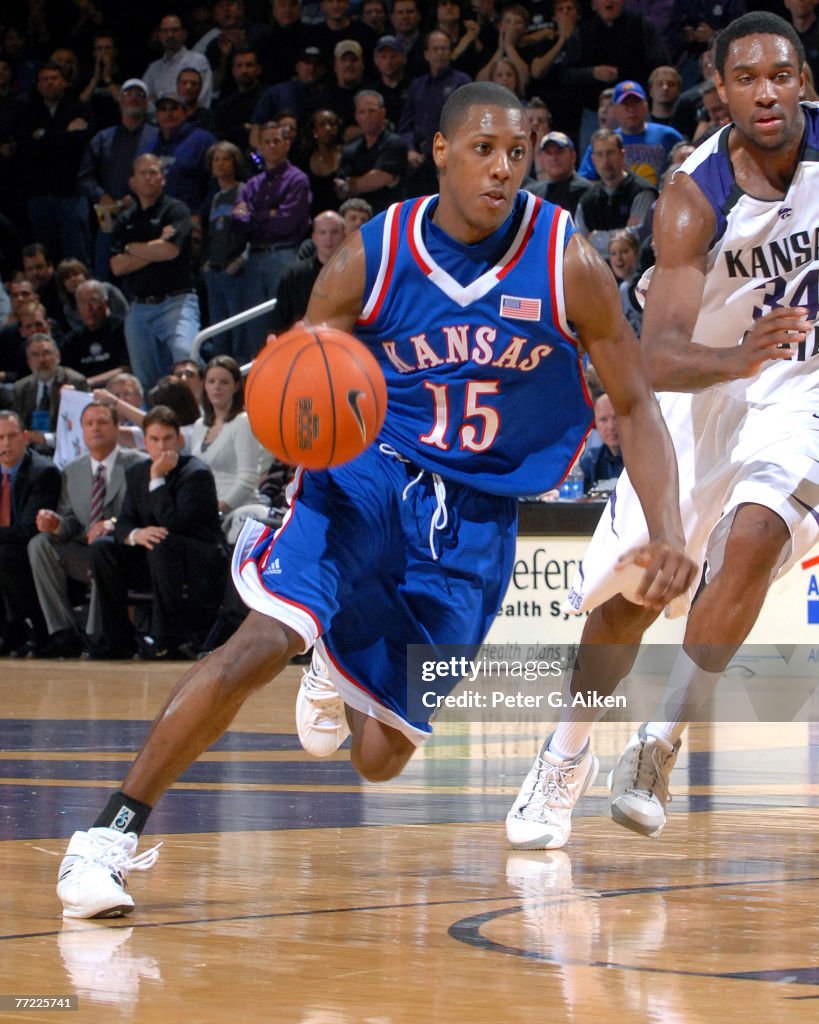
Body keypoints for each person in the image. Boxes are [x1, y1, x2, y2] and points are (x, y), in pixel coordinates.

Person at [55, 82, 695, 920]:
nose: (502, 169)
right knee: (261, 638)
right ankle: (105, 837)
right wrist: (301, 454)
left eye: (517, 151)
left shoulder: (562, 260)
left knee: (378, 758)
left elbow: (638, 403)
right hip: (369, 472)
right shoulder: (371, 254)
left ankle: (336, 658)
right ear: (438, 153)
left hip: (475, 515)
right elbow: (302, 377)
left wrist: (670, 529)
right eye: (482, 150)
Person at [506, 13, 819, 851]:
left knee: (753, 537)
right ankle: (565, 756)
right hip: (704, 387)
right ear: (719, 89)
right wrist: (738, 356)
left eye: (780, 76)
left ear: (803, 83)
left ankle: (657, 745)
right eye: (745, 77)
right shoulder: (692, 193)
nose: (765, 92)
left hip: (802, 393)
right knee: (632, 596)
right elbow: (659, 355)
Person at [87, 405, 228, 662]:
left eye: (167, 439)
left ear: (179, 439)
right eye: (154, 439)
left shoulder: (196, 473)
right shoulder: (136, 473)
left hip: (195, 560)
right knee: (103, 548)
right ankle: (117, 639)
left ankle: (166, 638)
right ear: (145, 441)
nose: (161, 446)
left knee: (162, 542)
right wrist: (136, 534)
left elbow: (173, 523)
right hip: (157, 556)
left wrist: (157, 479)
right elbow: (124, 521)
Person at [27, 401, 147, 658]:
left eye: (102, 422)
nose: (95, 429)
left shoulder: (139, 465)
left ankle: (98, 635)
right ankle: (63, 632)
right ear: (81, 430)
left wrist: (111, 524)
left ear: (118, 427)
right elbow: (71, 521)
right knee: (40, 543)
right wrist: (56, 523)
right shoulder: (72, 470)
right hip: (83, 551)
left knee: (100, 550)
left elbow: (144, 515)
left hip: (122, 554)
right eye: (89, 424)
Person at [109, 154, 200, 393]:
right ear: (133, 182)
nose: (149, 178)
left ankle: (199, 419)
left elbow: (169, 251)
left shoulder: (176, 209)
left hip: (177, 301)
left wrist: (132, 248)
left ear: (163, 178)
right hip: (139, 307)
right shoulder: (126, 218)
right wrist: (154, 246)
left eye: (154, 172)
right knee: (144, 379)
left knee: (185, 359)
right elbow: (117, 266)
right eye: (143, 173)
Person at [0, 410, 61, 657]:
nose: (5, 443)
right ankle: (7, 633)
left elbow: (27, 528)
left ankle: (31, 630)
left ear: (25, 437)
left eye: (12, 436)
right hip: (5, 543)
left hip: (29, 547)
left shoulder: (43, 472)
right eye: (0, 437)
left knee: (5, 556)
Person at [189, 356, 265, 534]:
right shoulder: (200, 425)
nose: (217, 387)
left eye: (224, 382)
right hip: (207, 511)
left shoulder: (242, 422)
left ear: (236, 386)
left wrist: (219, 509)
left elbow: (247, 479)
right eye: (211, 381)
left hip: (238, 511)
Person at [579, 391, 623, 494]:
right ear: (595, 425)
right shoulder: (590, 461)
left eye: (616, 418)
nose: (611, 426)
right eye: (603, 420)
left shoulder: (643, 460)